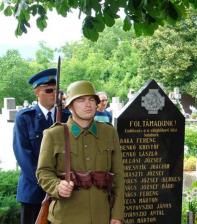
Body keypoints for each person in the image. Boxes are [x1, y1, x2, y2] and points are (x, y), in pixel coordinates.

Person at [36, 80, 124, 224]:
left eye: (91, 100)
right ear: (70, 106)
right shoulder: (54, 134)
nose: (88, 104)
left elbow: (119, 176)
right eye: (81, 100)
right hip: (66, 217)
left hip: (101, 216)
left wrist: (117, 214)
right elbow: (43, 172)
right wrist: (57, 186)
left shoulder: (109, 132)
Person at [13, 68, 70, 224]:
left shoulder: (67, 117)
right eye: (49, 90)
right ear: (37, 92)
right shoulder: (25, 118)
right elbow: (23, 156)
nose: (54, 93)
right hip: (34, 190)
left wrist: (61, 184)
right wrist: (47, 183)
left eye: (57, 90)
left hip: (62, 189)